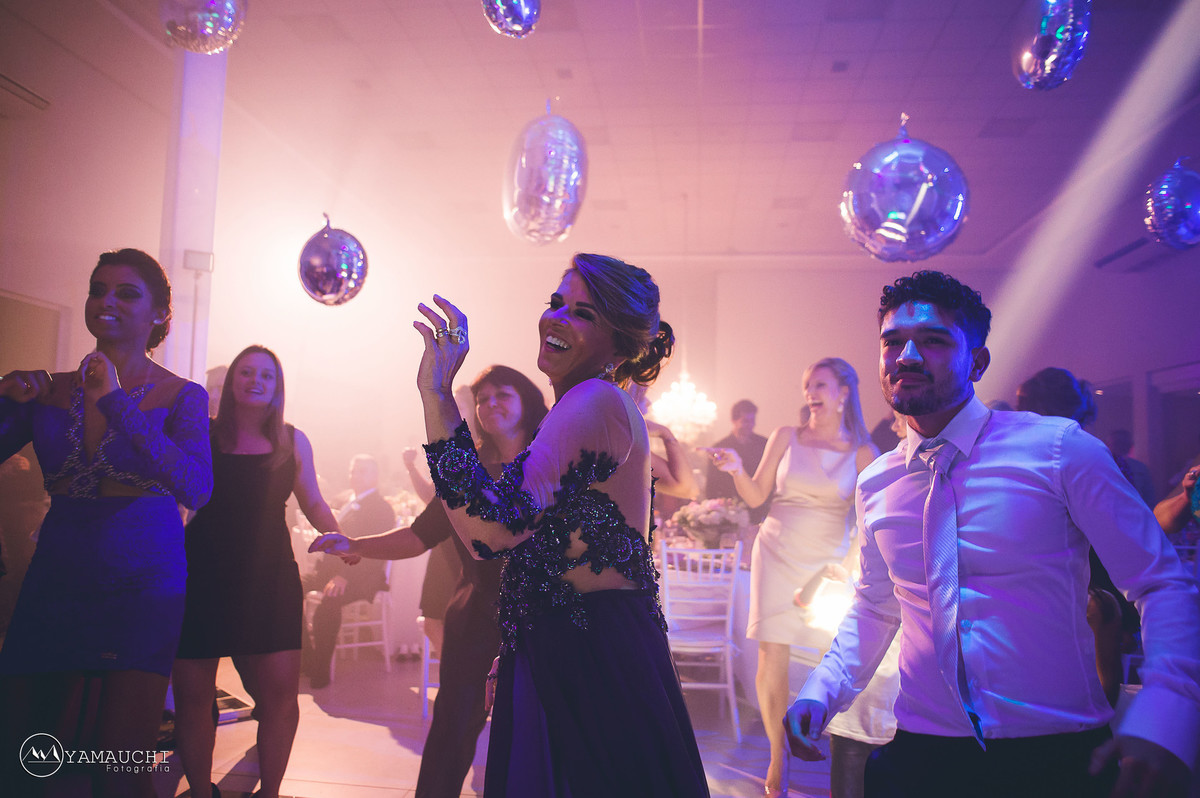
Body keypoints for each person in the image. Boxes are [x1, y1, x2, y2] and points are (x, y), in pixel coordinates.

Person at [784, 270, 1200, 798]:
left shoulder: (1058, 451)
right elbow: (875, 604)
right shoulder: (876, 482)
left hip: (1054, 752)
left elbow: (1159, 581)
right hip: (920, 751)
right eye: (893, 342)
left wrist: (1164, 713)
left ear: (977, 362)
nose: (907, 355)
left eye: (933, 341)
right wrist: (823, 690)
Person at [410, 253, 709, 796]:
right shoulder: (583, 408)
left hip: (588, 658)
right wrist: (521, 642)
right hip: (564, 646)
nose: (557, 318)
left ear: (619, 341)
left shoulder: (594, 399)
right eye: (556, 304)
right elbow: (540, 544)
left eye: (583, 313)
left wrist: (436, 395)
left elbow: (489, 531)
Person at [0, 248, 213, 796]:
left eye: (126, 292)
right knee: (26, 753)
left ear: (160, 315)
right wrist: (1, 401)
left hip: (141, 583)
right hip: (56, 576)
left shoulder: (181, 395)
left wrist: (116, 402)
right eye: (98, 289)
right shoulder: (47, 389)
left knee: (120, 760)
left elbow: (196, 487)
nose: (106, 301)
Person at [311, 364, 549, 798]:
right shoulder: (466, 474)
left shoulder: (553, 464)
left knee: (534, 736)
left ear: (528, 403)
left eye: (502, 395)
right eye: (483, 398)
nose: (490, 404)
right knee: (451, 733)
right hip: (477, 617)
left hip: (543, 620)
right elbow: (419, 535)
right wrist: (356, 543)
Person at [173, 345, 344, 798]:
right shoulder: (202, 434)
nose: (255, 381)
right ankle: (199, 789)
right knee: (193, 699)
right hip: (200, 574)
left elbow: (312, 500)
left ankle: (270, 792)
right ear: (231, 382)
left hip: (269, 579)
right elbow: (175, 496)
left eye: (266, 375)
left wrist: (337, 536)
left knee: (280, 701)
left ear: (278, 387)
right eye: (246, 372)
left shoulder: (292, 440)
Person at [706, 358, 877, 797]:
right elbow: (758, 495)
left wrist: (851, 562)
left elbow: (869, 521)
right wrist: (734, 470)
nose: (810, 393)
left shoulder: (863, 452)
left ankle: (836, 748)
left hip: (828, 565)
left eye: (819, 385)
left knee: (833, 656)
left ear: (843, 392)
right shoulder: (785, 436)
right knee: (772, 652)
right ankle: (777, 757)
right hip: (776, 549)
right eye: (806, 386)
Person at [302, 454, 394, 688]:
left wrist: (345, 576)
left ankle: (320, 671)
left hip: (362, 576)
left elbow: (376, 552)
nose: (356, 475)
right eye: (354, 470)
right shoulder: (343, 499)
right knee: (288, 588)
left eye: (363, 471)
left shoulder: (381, 509)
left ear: (375, 477)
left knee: (328, 602)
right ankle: (306, 659)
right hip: (327, 571)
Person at [707, 398, 770, 522]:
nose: (750, 425)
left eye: (752, 421)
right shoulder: (720, 447)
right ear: (733, 421)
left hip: (759, 508)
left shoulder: (764, 444)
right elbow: (711, 485)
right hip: (730, 510)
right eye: (745, 421)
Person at [1107, 429, 1156, 508]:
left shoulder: (1141, 469)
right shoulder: (1141, 468)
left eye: (1122, 443)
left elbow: (1149, 498)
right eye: (1117, 443)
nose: (1120, 446)